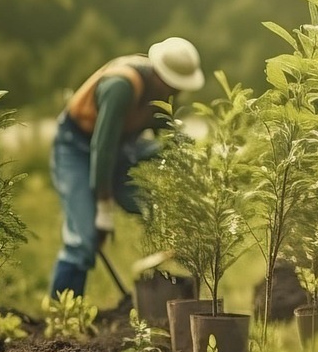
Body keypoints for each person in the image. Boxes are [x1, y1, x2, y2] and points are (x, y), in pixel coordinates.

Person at [48, 37, 205, 299]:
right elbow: (103, 147)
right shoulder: (121, 86)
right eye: (175, 87)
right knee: (84, 239)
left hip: (122, 147)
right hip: (77, 148)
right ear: (161, 76)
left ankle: (166, 252)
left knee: (151, 202)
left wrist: (196, 175)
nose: (177, 93)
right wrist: (104, 206)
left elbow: (170, 138)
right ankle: (62, 315)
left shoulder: (162, 93)